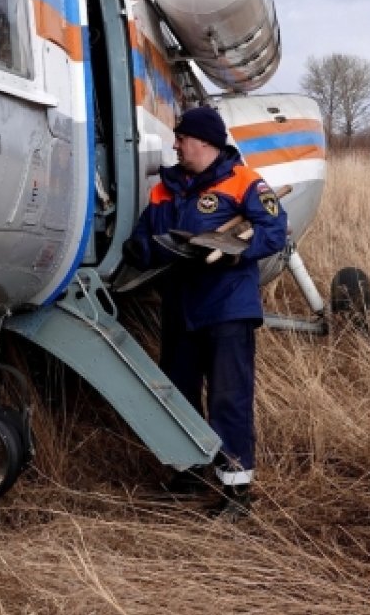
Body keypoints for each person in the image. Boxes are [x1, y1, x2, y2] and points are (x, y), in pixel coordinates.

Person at [123, 105, 288, 519]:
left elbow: (273, 231)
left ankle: (236, 491)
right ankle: (189, 473)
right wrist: (153, 249)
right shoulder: (165, 189)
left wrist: (234, 253)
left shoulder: (245, 182)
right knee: (178, 393)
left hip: (227, 308)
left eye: (181, 138)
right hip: (180, 308)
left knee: (228, 398)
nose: (175, 144)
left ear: (206, 143)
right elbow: (142, 239)